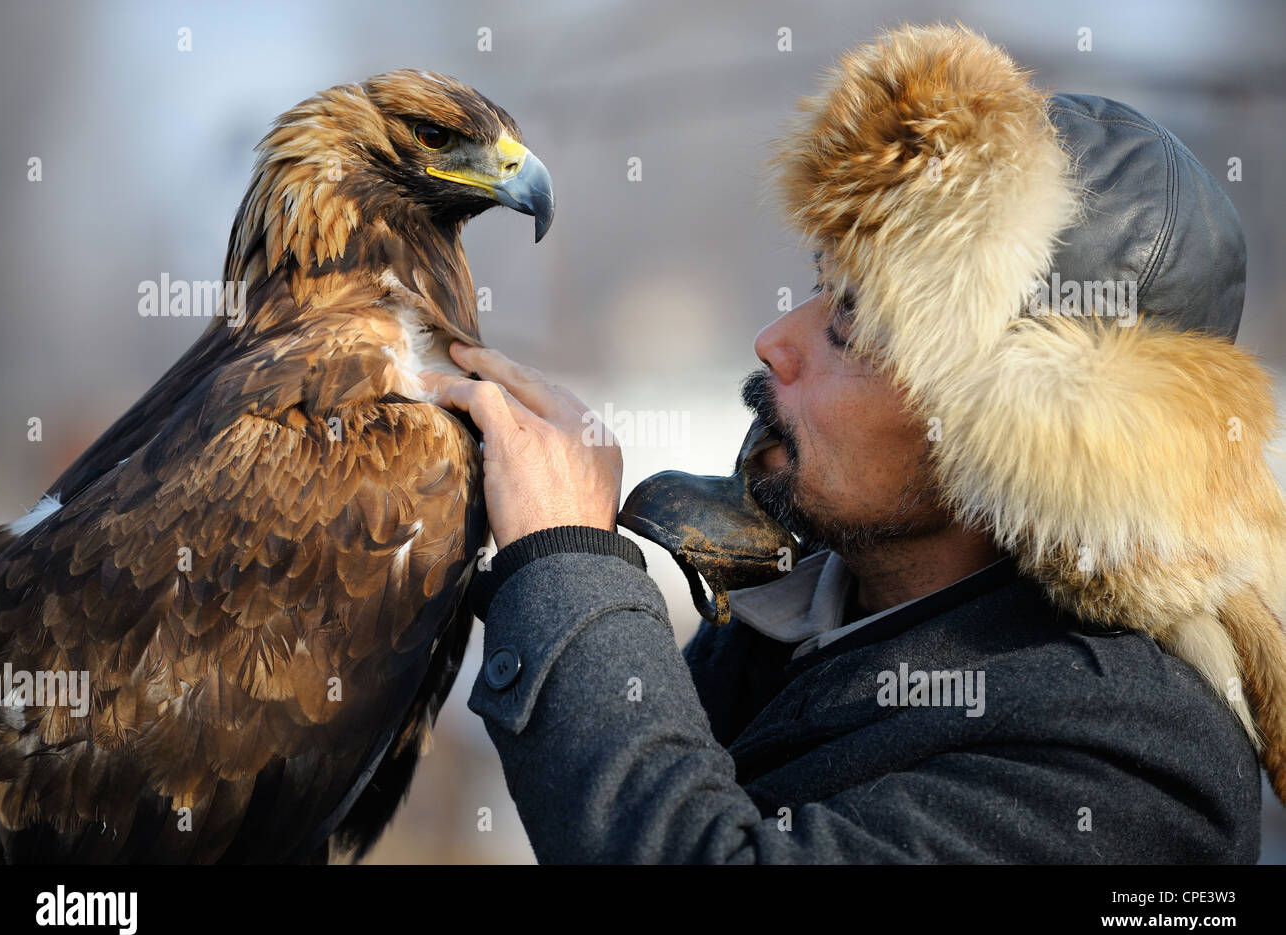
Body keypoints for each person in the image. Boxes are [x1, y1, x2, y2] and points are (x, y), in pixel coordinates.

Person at [417, 23, 1286, 863]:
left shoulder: (1130, 757)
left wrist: (568, 567)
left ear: (1025, 434)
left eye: (859, 319)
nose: (774, 339)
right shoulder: (797, 612)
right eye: (819, 282)